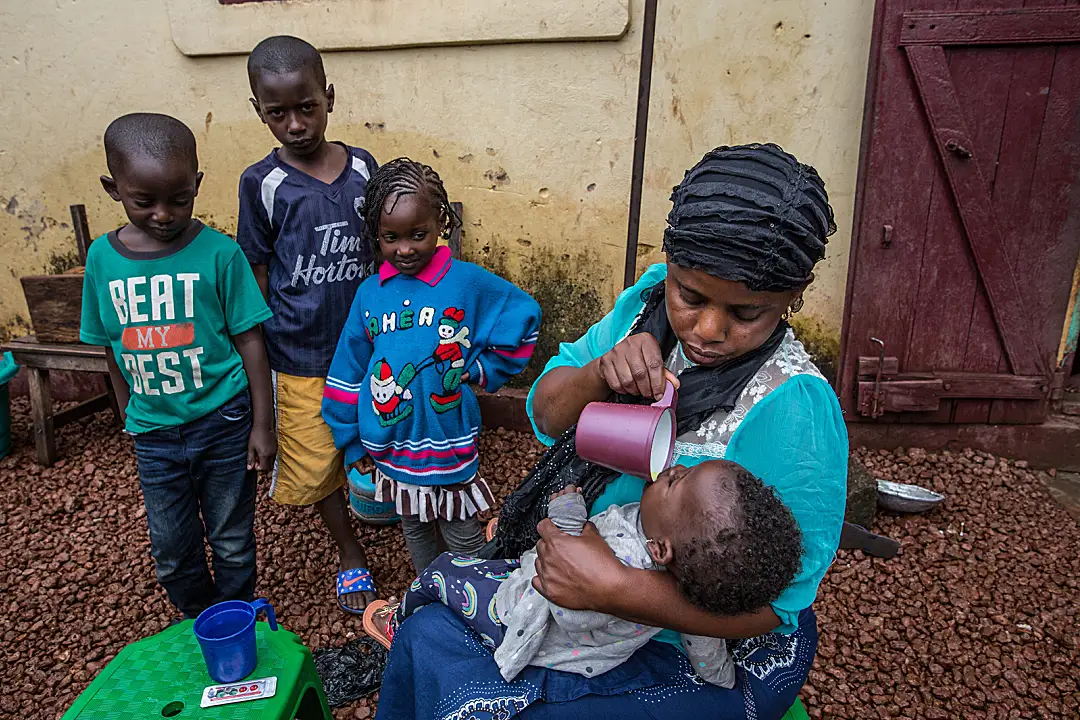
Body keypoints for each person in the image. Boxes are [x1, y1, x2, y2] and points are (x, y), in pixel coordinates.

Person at [374, 143, 848, 720]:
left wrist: (616, 589)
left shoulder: (793, 408)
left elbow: (780, 604)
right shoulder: (643, 310)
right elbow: (547, 416)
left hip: (688, 638)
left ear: (791, 298)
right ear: (669, 264)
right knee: (425, 633)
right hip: (580, 579)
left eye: (746, 313)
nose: (707, 329)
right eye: (690, 296)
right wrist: (599, 373)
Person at [364, 460, 802, 690]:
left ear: (661, 549)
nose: (672, 469)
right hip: (575, 628)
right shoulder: (684, 591)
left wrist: (566, 511)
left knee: (446, 572)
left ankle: (399, 619)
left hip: (525, 615)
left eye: (676, 482)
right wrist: (723, 679)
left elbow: (572, 598)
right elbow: (704, 647)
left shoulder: (628, 553)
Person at [80, 113, 274, 619]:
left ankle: (235, 617)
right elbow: (107, 343)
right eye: (145, 202)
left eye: (180, 199)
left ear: (197, 186)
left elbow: (250, 339)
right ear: (113, 189)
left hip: (224, 421)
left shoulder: (220, 253)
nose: (164, 214)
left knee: (232, 537)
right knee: (171, 549)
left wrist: (262, 421)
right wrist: (128, 411)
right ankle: (198, 620)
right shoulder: (102, 259)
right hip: (155, 434)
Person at [321, 158, 542, 578]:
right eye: (391, 238)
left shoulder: (465, 282)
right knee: (415, 526)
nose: (404, 249)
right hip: (392, 443)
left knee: (461, 531)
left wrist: (481, 371)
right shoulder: (370, 294)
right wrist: (350, 441)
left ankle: (480, 599)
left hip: (448, 441)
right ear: (375, 234)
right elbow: (348, 369)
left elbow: (523, 316)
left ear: (440, 222)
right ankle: (431, 597)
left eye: (417, 235)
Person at [237, 35, 379, 613]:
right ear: (259, 111)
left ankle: (391, 504)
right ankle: (349, 551)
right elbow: (258, 273)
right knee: (317, 459)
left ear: (330, 98)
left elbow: (388, 247)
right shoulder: (262, 184)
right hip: (301, 356)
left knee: (384, 435)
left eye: (307, 106)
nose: (295, 124)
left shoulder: (365, 168)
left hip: (371, 348)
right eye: (278, 113)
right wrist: (267, 355)